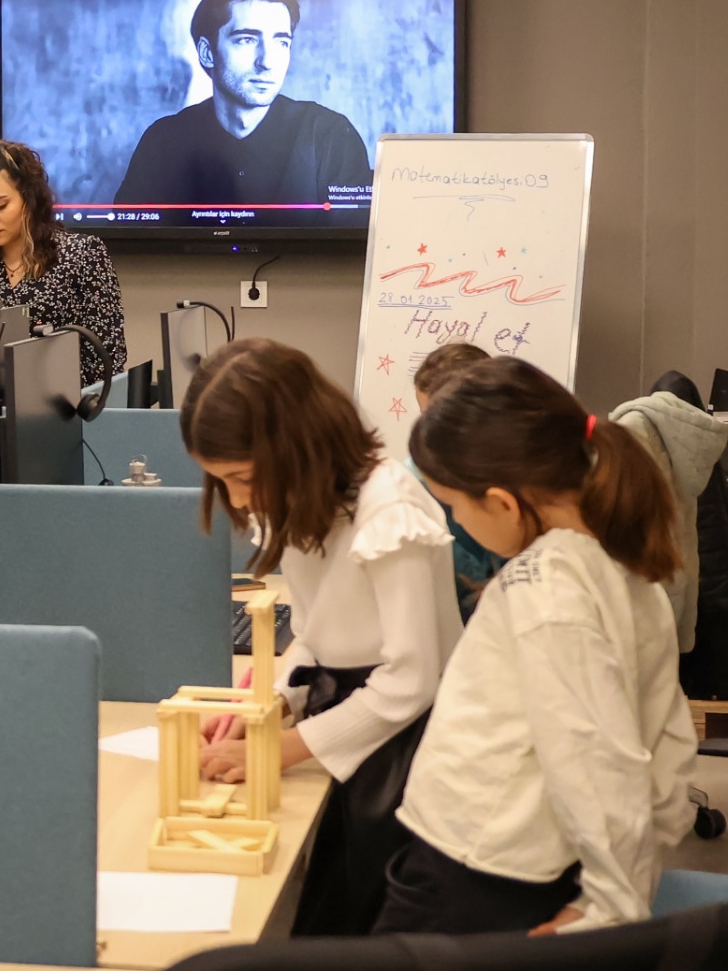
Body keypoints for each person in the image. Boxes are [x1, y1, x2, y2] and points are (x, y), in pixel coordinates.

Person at [380, 357, 698, 936]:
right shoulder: (625, 566)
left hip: (478, 869)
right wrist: (633, 877)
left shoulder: (547, 589)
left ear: (504, 502)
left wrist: (611, 904)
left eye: (455, 506)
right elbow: (666, 741)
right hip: (513, 860)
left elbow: (593, 756)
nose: (456, 521)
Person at [180, 337, 462, 936]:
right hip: (357, 722)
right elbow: (313, 634)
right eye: (222, 481)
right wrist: (271, 706)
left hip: (414, 752)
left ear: (297, 447)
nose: (237, 499)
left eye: (242, 478)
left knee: (363, 930)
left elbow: (411, 681)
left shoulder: (388, 511)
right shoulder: (302, 497)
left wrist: (283, 749)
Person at [113, 0, 371, 210]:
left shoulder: (329, 135)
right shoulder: (162, 142)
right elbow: (131, 234)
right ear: (207, 53)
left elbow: (358, 237)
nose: (267, 62)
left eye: (281, 42)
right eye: (247, 40)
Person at [0, 137, 127, 383]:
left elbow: (108, 359)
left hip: (68, 404)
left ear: (29, 199)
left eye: (0, 206)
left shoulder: (83, 256)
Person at [413, 342, 507, 621]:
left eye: (436, 420)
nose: (428, 433)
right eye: (424, 417)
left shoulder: (519, 479)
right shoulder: (417, 484)